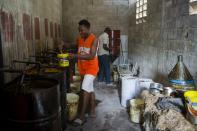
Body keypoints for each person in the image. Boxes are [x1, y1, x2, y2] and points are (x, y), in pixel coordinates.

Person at [69, 19, 99, 125]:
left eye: (82, 30)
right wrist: (64, 45)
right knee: (90, 88)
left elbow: (91, 56)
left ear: (88, 28)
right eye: (79, 30)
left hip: (92, 68)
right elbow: (74, 45)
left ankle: (81, 117)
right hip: (83, 69)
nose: (80, 32)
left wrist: (75, 56)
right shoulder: (80, 38)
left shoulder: (94, 39)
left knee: (85, 88)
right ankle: (93, 111)